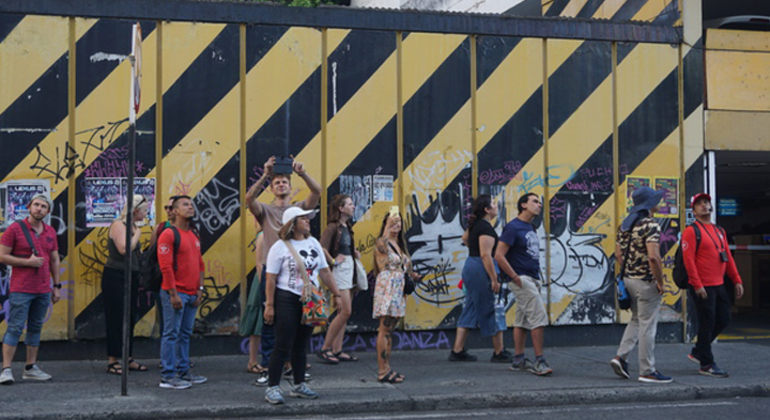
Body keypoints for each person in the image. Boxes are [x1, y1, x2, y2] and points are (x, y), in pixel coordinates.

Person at [245, 156, 321, 386]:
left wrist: (302, 173)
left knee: (298, 322)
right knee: (270, 321)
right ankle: (269, 368)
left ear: (290, 186)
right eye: (276, 182)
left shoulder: (299, 210)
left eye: (284, 182)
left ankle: (291, 367)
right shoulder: (265, 210)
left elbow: (317, 192)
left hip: (296, 274)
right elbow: (249, 199)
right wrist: (265, 175)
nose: (280, 185)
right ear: (271, 188)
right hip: (273, 273)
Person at [263, 207, 342, 405]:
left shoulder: (313, 243)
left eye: (308, 218)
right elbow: (270, 279)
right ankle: (272, 387)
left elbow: (324, 271)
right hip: (286, 298)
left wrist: (337, 294)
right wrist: (269, 305)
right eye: (303, 219)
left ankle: (299, 385)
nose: (308, 221)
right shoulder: (279, 247)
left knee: (301, 344)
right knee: (283, 344)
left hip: (310, 300)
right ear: (292, 223)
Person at [609, 186, 672, 384]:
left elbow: (619, 255)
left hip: (628, 280)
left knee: (637, 319)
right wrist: (660, 282)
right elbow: (654, 257)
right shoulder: (651, 225)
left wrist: (631, 270)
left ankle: (620, 357)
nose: (659, 202)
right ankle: (647, 370)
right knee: (648, 326)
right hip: (646, 283)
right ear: (650, 204)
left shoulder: (624, 225)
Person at [0, 195, 61, 385]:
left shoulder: (50, 231)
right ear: (29, 206)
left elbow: (54, 259)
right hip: (21, 288)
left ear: (48, 211)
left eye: (43, 206)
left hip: (43, 288)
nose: (39, 209)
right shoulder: (15, 229)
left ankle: (30, 368)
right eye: (36, 205)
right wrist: (27, 262)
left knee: (35, 327)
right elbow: (2, 256)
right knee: (15, 327)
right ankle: (6, 369)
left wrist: (56, 286)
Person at [683, 193, 744, 378]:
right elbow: (688, 260)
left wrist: (737, 279)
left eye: (706, 202)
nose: (704, 205)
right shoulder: (692, 231)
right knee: (707, 322)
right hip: (703, 285)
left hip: (719, 283)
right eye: (699, 204)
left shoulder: (719, 230)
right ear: (693, 211)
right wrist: (697, 284)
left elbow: (727, 257)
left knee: (724, 318)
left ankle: (699, 350)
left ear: (711, 207)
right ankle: (706, 363)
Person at [494, 193, 553, 376]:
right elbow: (499, 255)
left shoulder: (530, 227)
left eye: (539, 202)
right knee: (538, 318)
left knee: (523, 320)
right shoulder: (513, 227)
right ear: (523, 205)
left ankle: (519, 359)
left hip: (532, 278)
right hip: (522, 279)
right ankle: (539, 361)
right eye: (534, 201)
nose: (539, 205)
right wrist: (514, 277)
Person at [449, 195, 512, 363]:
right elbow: (486, 255)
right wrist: (494, 279)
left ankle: (457, 350)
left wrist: (475, 249)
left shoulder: (476, 224)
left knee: (470, 307)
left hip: (472, 265)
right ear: (487, 209)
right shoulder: (485, 228)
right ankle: (499, 352)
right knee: (493, 307)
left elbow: (465, 238)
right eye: (493, 204)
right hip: (481, 269)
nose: (496, 206)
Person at [157, 195, 206, 390]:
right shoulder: (168, 234)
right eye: (185, 204)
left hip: (192, 293)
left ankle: (183, 371)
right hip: (176, 293)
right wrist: (173, 293)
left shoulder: (193, 234)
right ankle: (168, 376)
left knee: (184, 334)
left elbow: (200, 264)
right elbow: (165, 266)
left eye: (191, 204)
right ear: (175, 211)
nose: (190, 207)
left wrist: (200, 289)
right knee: (171, 334)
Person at [102, 195, 150, 375]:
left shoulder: (133, 226)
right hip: (116, 275)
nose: (146, 214)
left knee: (129, 317)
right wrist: (137, 234)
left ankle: (127, 357)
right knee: (116, 316)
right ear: (136, 210)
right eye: (145, 210)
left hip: (132, 275)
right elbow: (124, 249)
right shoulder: (118, 225)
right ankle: (112, 360)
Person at [372, 211, 418, 383]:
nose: (396, 225)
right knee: (384, 329)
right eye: (392, 222)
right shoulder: (382, 242)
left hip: (398, 289)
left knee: (390, 330)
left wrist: (411, 275)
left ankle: (387, 368)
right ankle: (382, 371)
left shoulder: (399, 244)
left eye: (398, 222)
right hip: (387, 288)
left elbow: (402, 266)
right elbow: (382, 248)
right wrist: (388, 225)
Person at [317, 194, 361, 364]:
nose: (353, 206)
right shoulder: (332, 227)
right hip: (340, 272)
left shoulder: (347, 226)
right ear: (341, 208)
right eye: (350, 204)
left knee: (343, 312)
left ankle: (337, 349)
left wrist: (353, 253)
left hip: (349, 270)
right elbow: (321, 248)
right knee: (345, 311)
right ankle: (325, 348)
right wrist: (333, 261)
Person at [240, 220, 266, 374]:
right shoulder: (263, 235)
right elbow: (259, 265)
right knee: (257, 320)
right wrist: (265, 287)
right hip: (264, 280)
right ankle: (253, 360)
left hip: (272, 279)